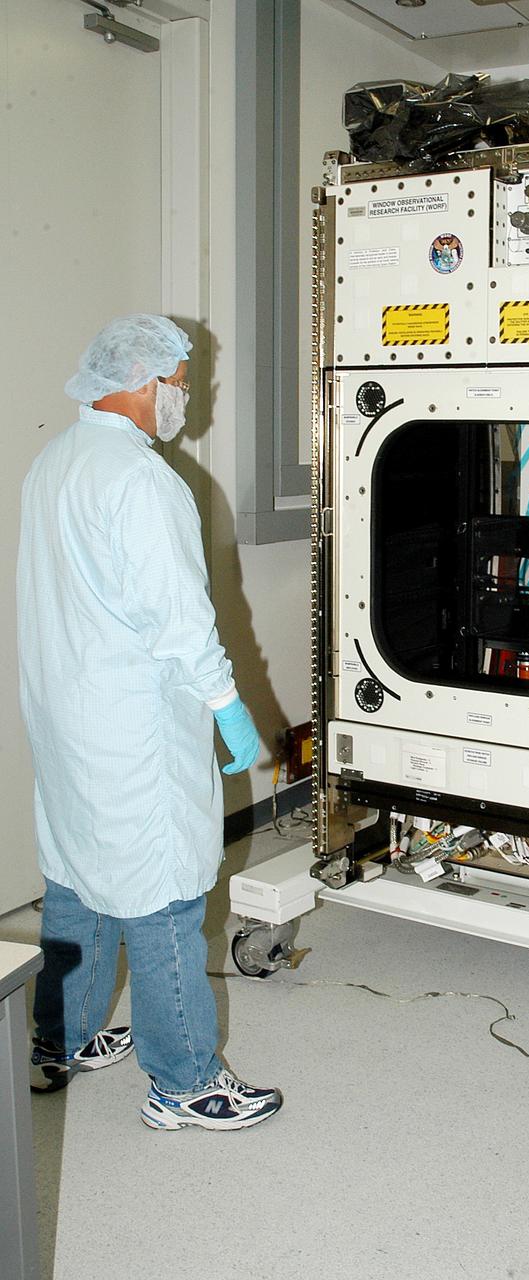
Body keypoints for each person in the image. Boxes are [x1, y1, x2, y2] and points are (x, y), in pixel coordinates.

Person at [17, 314, 282, 1131]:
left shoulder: (55, 460)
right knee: (165, 902)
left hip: (67, 720)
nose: (184, 396)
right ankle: (185, 1083)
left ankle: (59, 1041)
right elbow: (178, 618)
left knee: (75, 885)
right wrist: (228, 706)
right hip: (131, 726)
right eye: (179, 381)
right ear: (141, 381)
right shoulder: (141, 480)